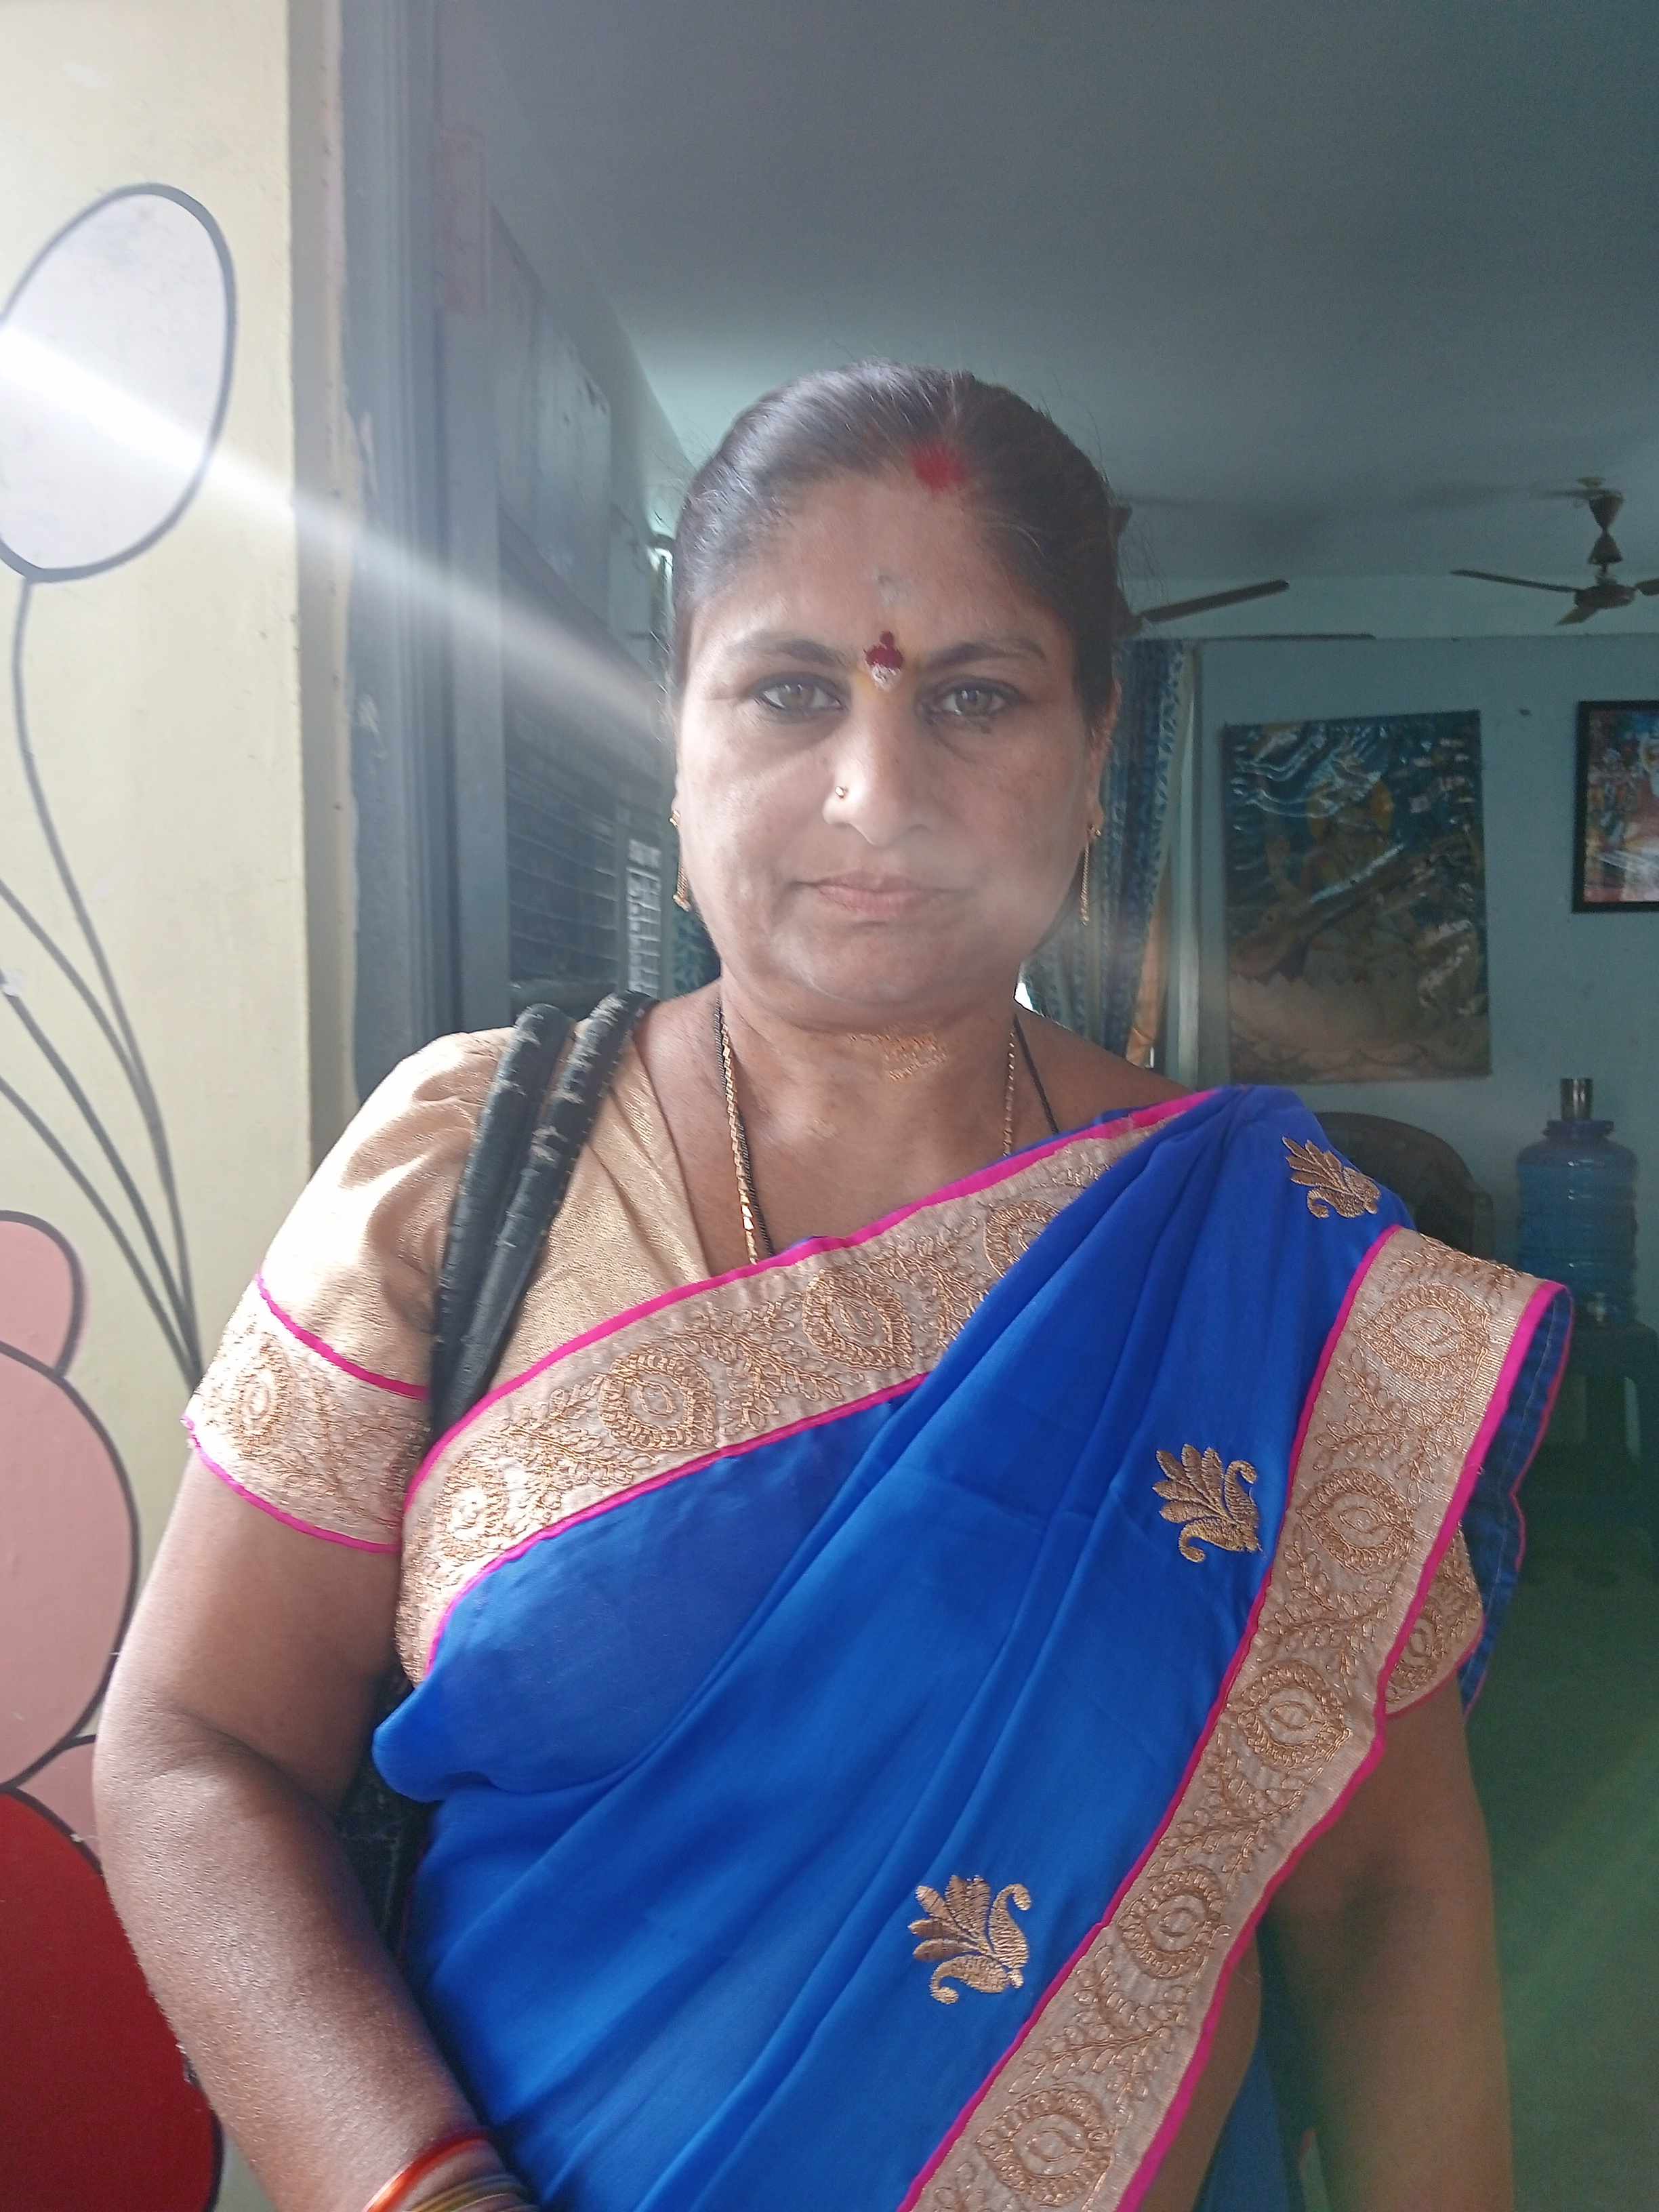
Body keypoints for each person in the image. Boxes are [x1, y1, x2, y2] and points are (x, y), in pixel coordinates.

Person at [97, 364, 1569, 2212]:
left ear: (1096, 755)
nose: (878, 794)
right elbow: (195, 1751)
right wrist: (423, 2188)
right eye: (792, 690)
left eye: (976, 697)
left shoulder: (1275, 1264)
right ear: (676, 734)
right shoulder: (460, 1177)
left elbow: (1387, 1896)